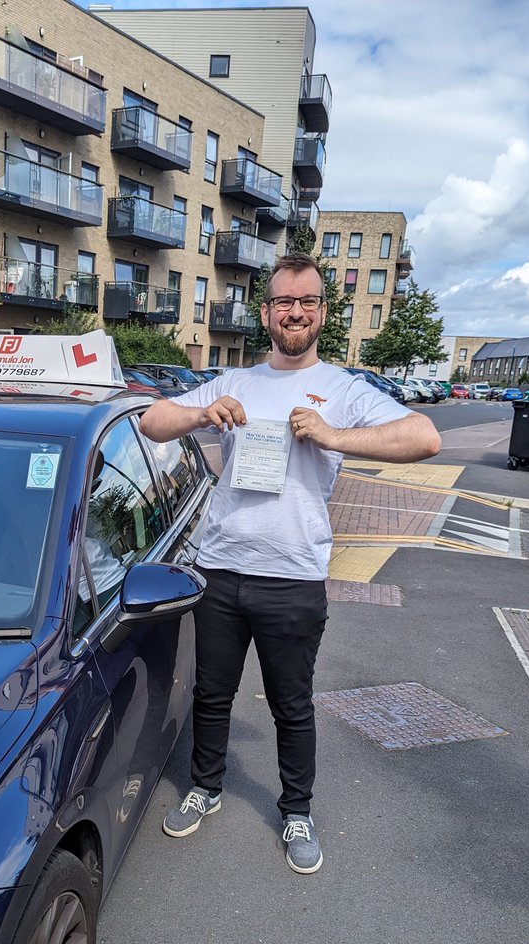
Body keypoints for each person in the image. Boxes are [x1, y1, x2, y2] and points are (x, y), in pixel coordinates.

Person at [138, 252, 441, 872]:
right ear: (267, 311)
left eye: (306, 302)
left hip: (294, 575)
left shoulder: (345, 389)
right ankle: (206, 788)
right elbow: (151, 419)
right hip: (221, 569)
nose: (294, 311)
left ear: (322, 312)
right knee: (214, 694)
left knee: (291, 705)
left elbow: (423, 437)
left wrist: (334, 436)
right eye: (283, 301)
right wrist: (201, 412)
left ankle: (297, 811)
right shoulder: (235, 383)